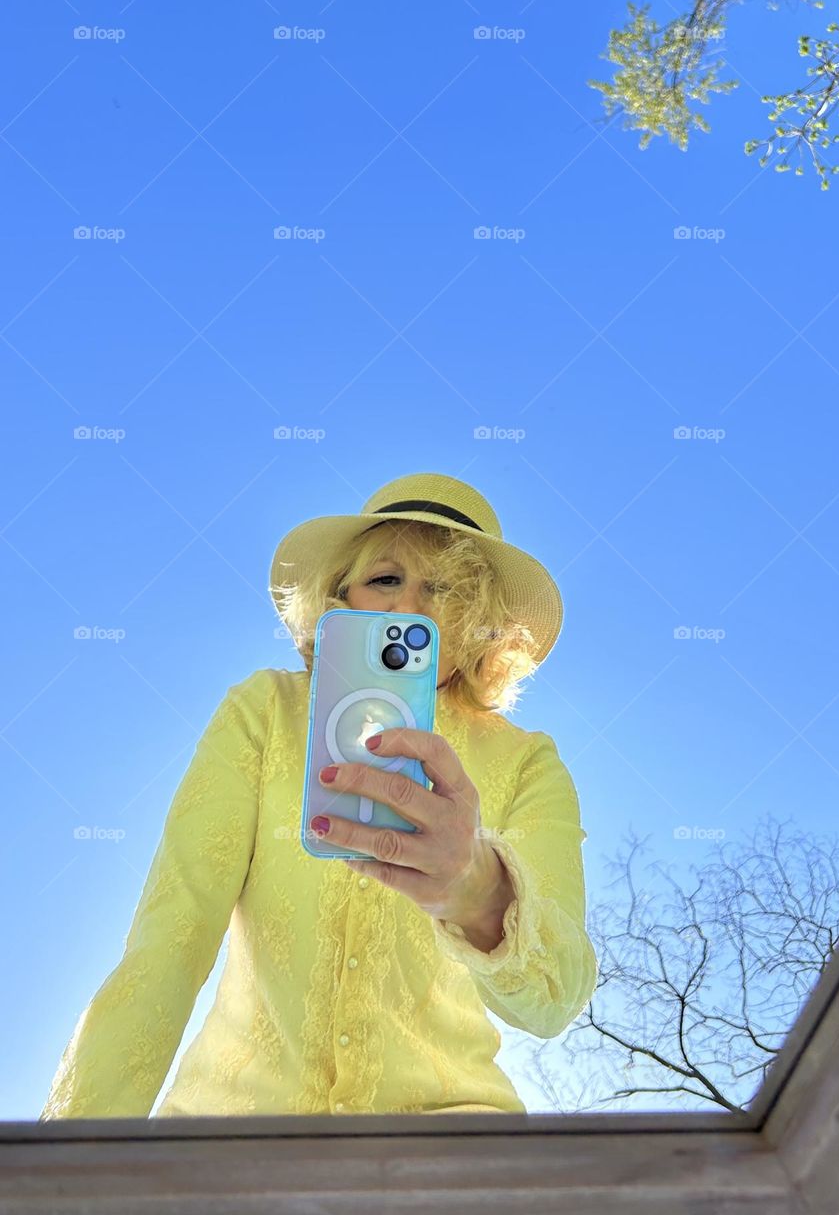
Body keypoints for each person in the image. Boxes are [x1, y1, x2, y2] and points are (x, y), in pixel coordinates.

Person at [39, 472, 597, 1119]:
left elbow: (556, 999)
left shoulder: (528, 762)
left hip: (451, 1144)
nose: (406, 609)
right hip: (230, 1135)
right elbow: (170, 939)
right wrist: (75, 1149)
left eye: (444, 589)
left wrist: (474, 887)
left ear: (478, 625)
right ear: (341, 599)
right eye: (385, 579)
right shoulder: (264, 711)